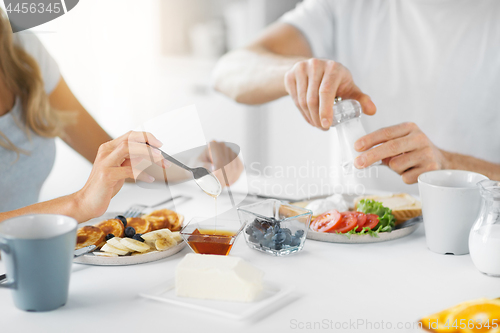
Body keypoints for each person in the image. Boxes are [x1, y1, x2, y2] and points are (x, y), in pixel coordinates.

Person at [212, 0, 500, 193]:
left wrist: (451, 166)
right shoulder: (347, 5)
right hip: (356, 238)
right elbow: (227, 71)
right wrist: (298, 72)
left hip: (476, 245)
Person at [0, 10, 242, 223]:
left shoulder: (21, 49)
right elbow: (85, 201)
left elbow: (118, 163)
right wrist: (80, 203)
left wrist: (197, 166)